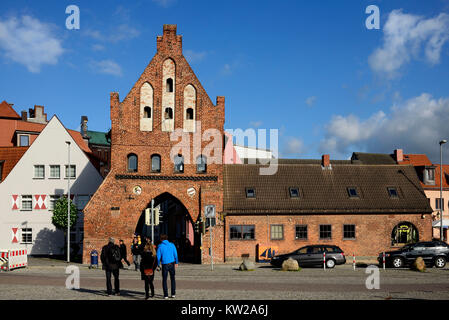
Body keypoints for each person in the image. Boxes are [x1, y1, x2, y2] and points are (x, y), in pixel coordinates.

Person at [156, 234, 178, 299]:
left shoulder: (160, 246)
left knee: (164, 280)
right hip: (172, 263)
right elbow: (175, 254)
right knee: (173, 279)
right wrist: (176, 262)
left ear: (161, 239)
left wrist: (158, 264)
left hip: (165, 265)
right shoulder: (172, 245)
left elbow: (158, 257)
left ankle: (166, 295)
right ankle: (173, 294)